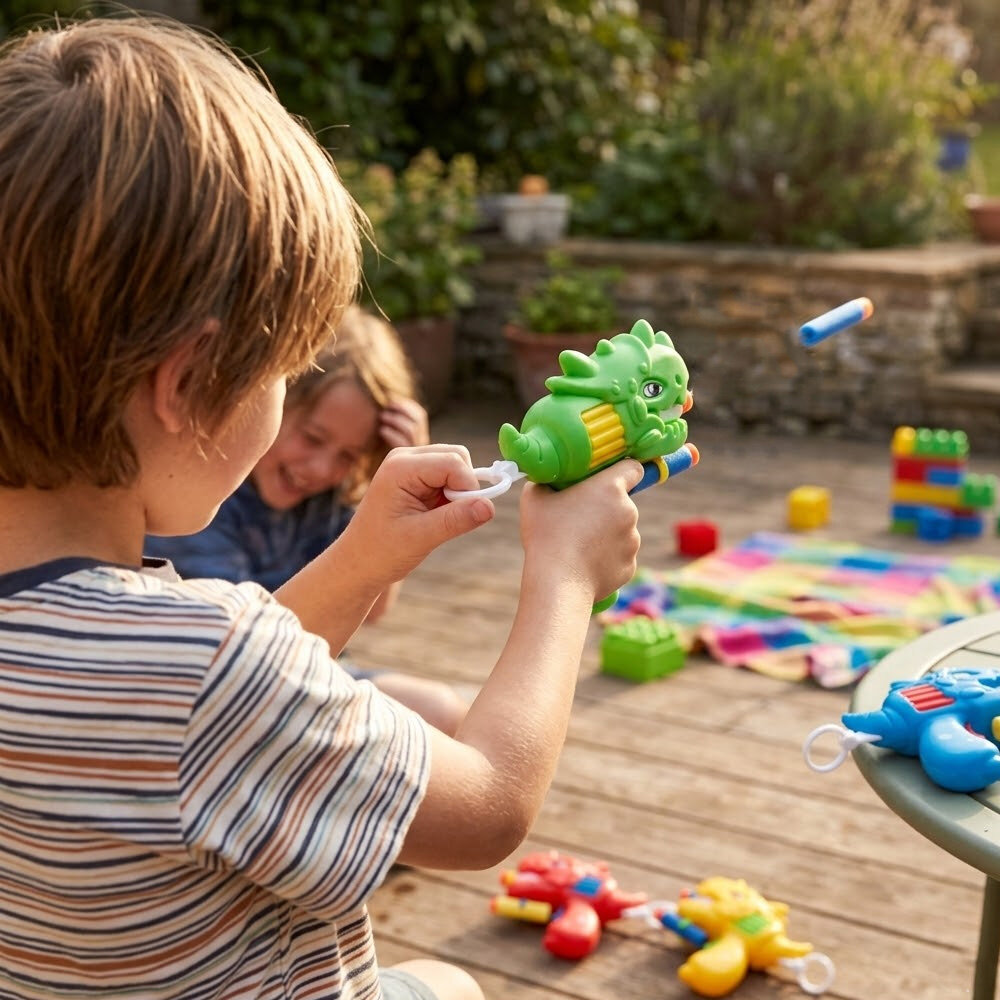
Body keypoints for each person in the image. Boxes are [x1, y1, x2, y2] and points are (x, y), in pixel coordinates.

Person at [0, 15, 643, 1000]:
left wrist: (363, 559)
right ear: (187, 384)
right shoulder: (204, 663)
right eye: (284, 369)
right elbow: (487, 809)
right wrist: (564, 574)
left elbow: (194, 710)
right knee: (455, 987)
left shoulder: (153, 653)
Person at [144, 306, 468, 735]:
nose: (320, 469)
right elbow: (247, 659)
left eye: (348, 456)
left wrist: (395, 494)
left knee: (443, 711)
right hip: (231, 687)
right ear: (274, 399)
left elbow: (374, 609)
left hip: (316, 667)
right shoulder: (203, 503)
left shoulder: (330, 496)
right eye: (313, 438)